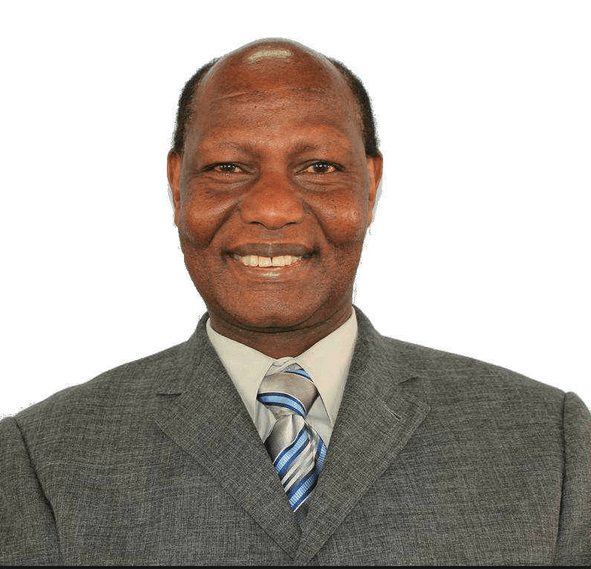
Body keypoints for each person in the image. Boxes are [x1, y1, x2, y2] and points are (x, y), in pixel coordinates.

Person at [1, 38, 589, 566]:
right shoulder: (39, 460)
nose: (273, 208)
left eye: (319, 167)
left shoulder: (552, 443)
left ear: (371, 184)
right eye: (228, 166)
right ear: (177, 185)